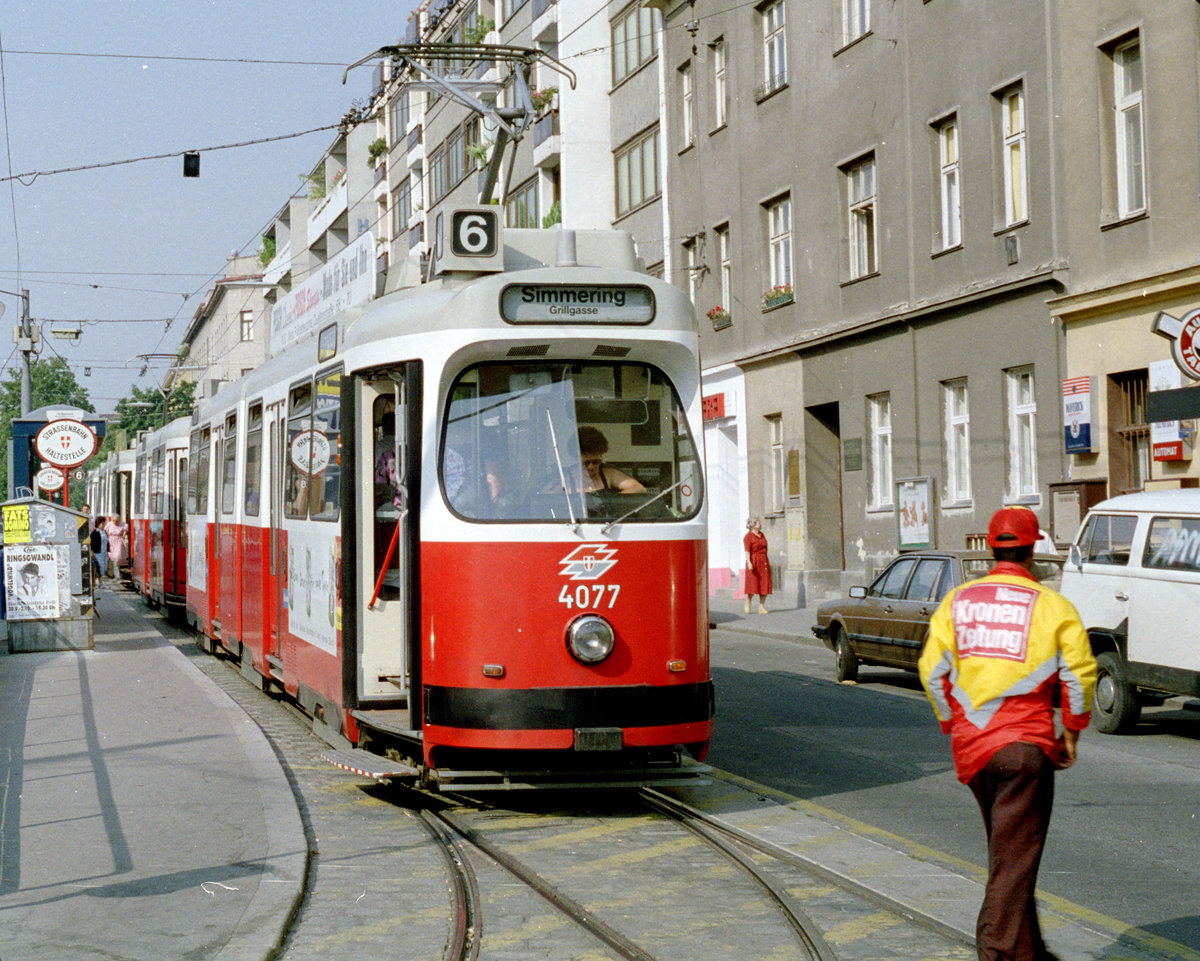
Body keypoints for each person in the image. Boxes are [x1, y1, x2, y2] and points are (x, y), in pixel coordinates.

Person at [918, 506, 1097, 961]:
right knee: (1013, 861)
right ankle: (996, 951)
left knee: (1011, 856)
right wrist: (1072, 732)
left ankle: (1030, 953)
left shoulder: (956, 601)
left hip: (974, 751)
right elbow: (1079, 675)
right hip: (1025, 750)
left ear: (991, 550)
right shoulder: (1053, 606)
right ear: (1032, 550)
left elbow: (932, 672)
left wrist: (952, 724)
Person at [576, 426, 645, 494]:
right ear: (576, 459)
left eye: (595, 462)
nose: (591, 466)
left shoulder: (608, 473)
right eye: (586, 463)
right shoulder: (569, 478)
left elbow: (639, 488)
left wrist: (616, 499)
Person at [743, 517, 771, 614]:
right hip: (754, 560)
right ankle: (748, 601)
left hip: (763, 561)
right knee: (753, 583)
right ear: (753, 525)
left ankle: (761, 607)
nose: (760, 524)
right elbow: (747, 551)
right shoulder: (748, 537)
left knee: (764, 583)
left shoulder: (761, 535)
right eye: (758, 523)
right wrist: (749, 562)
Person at [105, 514, 128, 579]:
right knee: (112, 557)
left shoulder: (123, 524)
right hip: (111, 542)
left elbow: (128, 529)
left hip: (119, 541)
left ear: (119, 520)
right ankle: (116, 573)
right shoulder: (109, 524)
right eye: (114, 520)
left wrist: (124, 535)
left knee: (117, 557)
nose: (115, 522)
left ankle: (118, 572)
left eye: (117, 521)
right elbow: (105, 531)